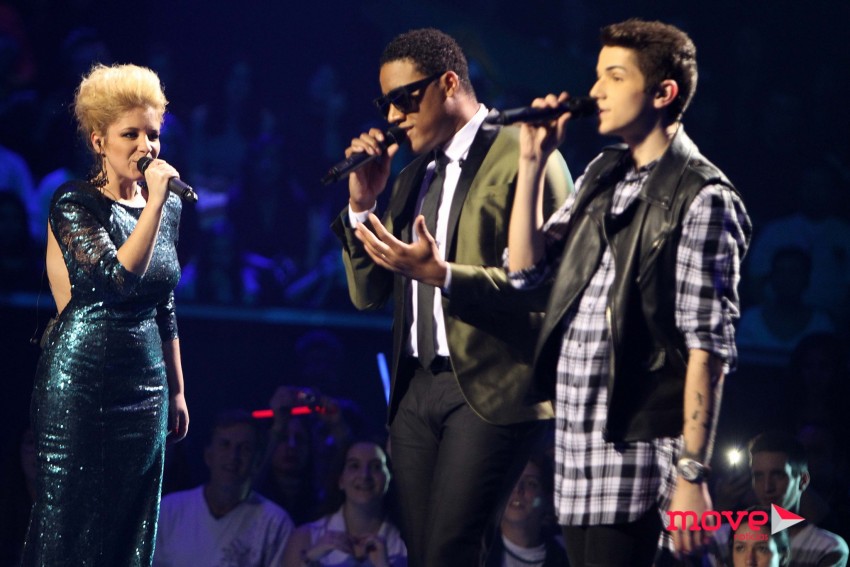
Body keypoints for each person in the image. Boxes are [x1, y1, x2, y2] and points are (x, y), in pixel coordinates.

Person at [505, 19, 752, 566]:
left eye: (615, 77)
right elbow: (525, 271)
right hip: (577, 447)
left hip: (637, 451)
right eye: (598, 76)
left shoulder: (703, 196)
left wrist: (692, 473)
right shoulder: (603, 172)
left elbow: (708, 348)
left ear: (663, 93)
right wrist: (532, 163)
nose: (596, 91)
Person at [330, 28, 572, 566]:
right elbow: (367, 294)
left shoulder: (525, 150)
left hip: (490, 386)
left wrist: (445, 276)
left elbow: (553, 287)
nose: (394, 117)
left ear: (448, 83)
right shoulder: (412, 175)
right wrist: (362, 207)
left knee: (450, 551)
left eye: (404, 98)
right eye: (385, 105)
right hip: (415, 390)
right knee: (426, 555)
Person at [21, 63, 189, 567]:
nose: (146, 147)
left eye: (153, 135)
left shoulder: (165, 208)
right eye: (130, 134)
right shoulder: (75, 203)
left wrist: (177, 390)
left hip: (146, 387)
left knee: (129, 524)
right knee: (73, 524)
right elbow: (118, 279)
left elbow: (164, 302)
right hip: (83, 383)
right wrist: (154, 205)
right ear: (99, 141)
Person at [154, 409, 293, 567]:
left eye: (244, 448)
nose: (233, 456)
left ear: (257, 460)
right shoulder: (170, 509)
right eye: (225, 445)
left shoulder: (275, 523)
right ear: (208, 455)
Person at [707, 431, 849, 567]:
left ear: (803, 480)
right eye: (759, 476)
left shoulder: (826, 548)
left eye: (778, 475)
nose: (767, 487)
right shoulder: (720, 539)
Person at [282, 440, 406, 567]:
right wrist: (309, 560)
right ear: (341, 479)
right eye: (354, 466)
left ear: (389, 478)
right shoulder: (305, 538)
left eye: (376, 467)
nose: (364, 475)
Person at [484, 453, 569, 567]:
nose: (518, 489)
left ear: (547, 498)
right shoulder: (477, 549)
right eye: (512, 480)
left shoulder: (567, 556)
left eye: (531, 483)